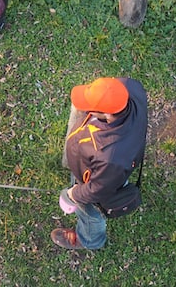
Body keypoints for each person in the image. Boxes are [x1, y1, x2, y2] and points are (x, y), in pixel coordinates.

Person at [53, 77, 148, 250]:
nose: (84, 108)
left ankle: (89, 239)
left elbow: (98, 189)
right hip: (108, 164)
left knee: (91, 212)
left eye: (90, 108)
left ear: (108, 115)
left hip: (100, 178)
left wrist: (73, 195)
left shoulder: (110, 157)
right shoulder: (131, 88)